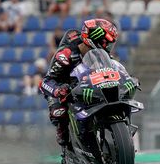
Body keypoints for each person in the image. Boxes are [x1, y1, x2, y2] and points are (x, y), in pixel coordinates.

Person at [39, 19, 119, 149]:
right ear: (95, 40)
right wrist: (58, 90)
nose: (109, 47)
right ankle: (63, 130)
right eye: (107, 43)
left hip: (86, 83)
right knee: (59, 112)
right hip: (63, 86)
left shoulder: (101, 54)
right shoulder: (66, 54)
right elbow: (45, 82)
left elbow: (114, 68)